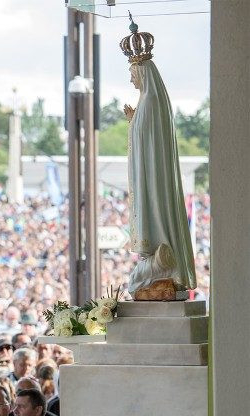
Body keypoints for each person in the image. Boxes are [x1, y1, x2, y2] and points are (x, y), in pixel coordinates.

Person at [121, 17, 196, 297]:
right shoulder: (147, 102)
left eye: (133, 73)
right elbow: (144, 137)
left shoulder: (150, 101)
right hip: (149, 171)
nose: (131, 79)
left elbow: (147, 140)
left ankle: (162, 264)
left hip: (153, 176)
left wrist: (134, 124)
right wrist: (133, 121)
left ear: (142, 73)